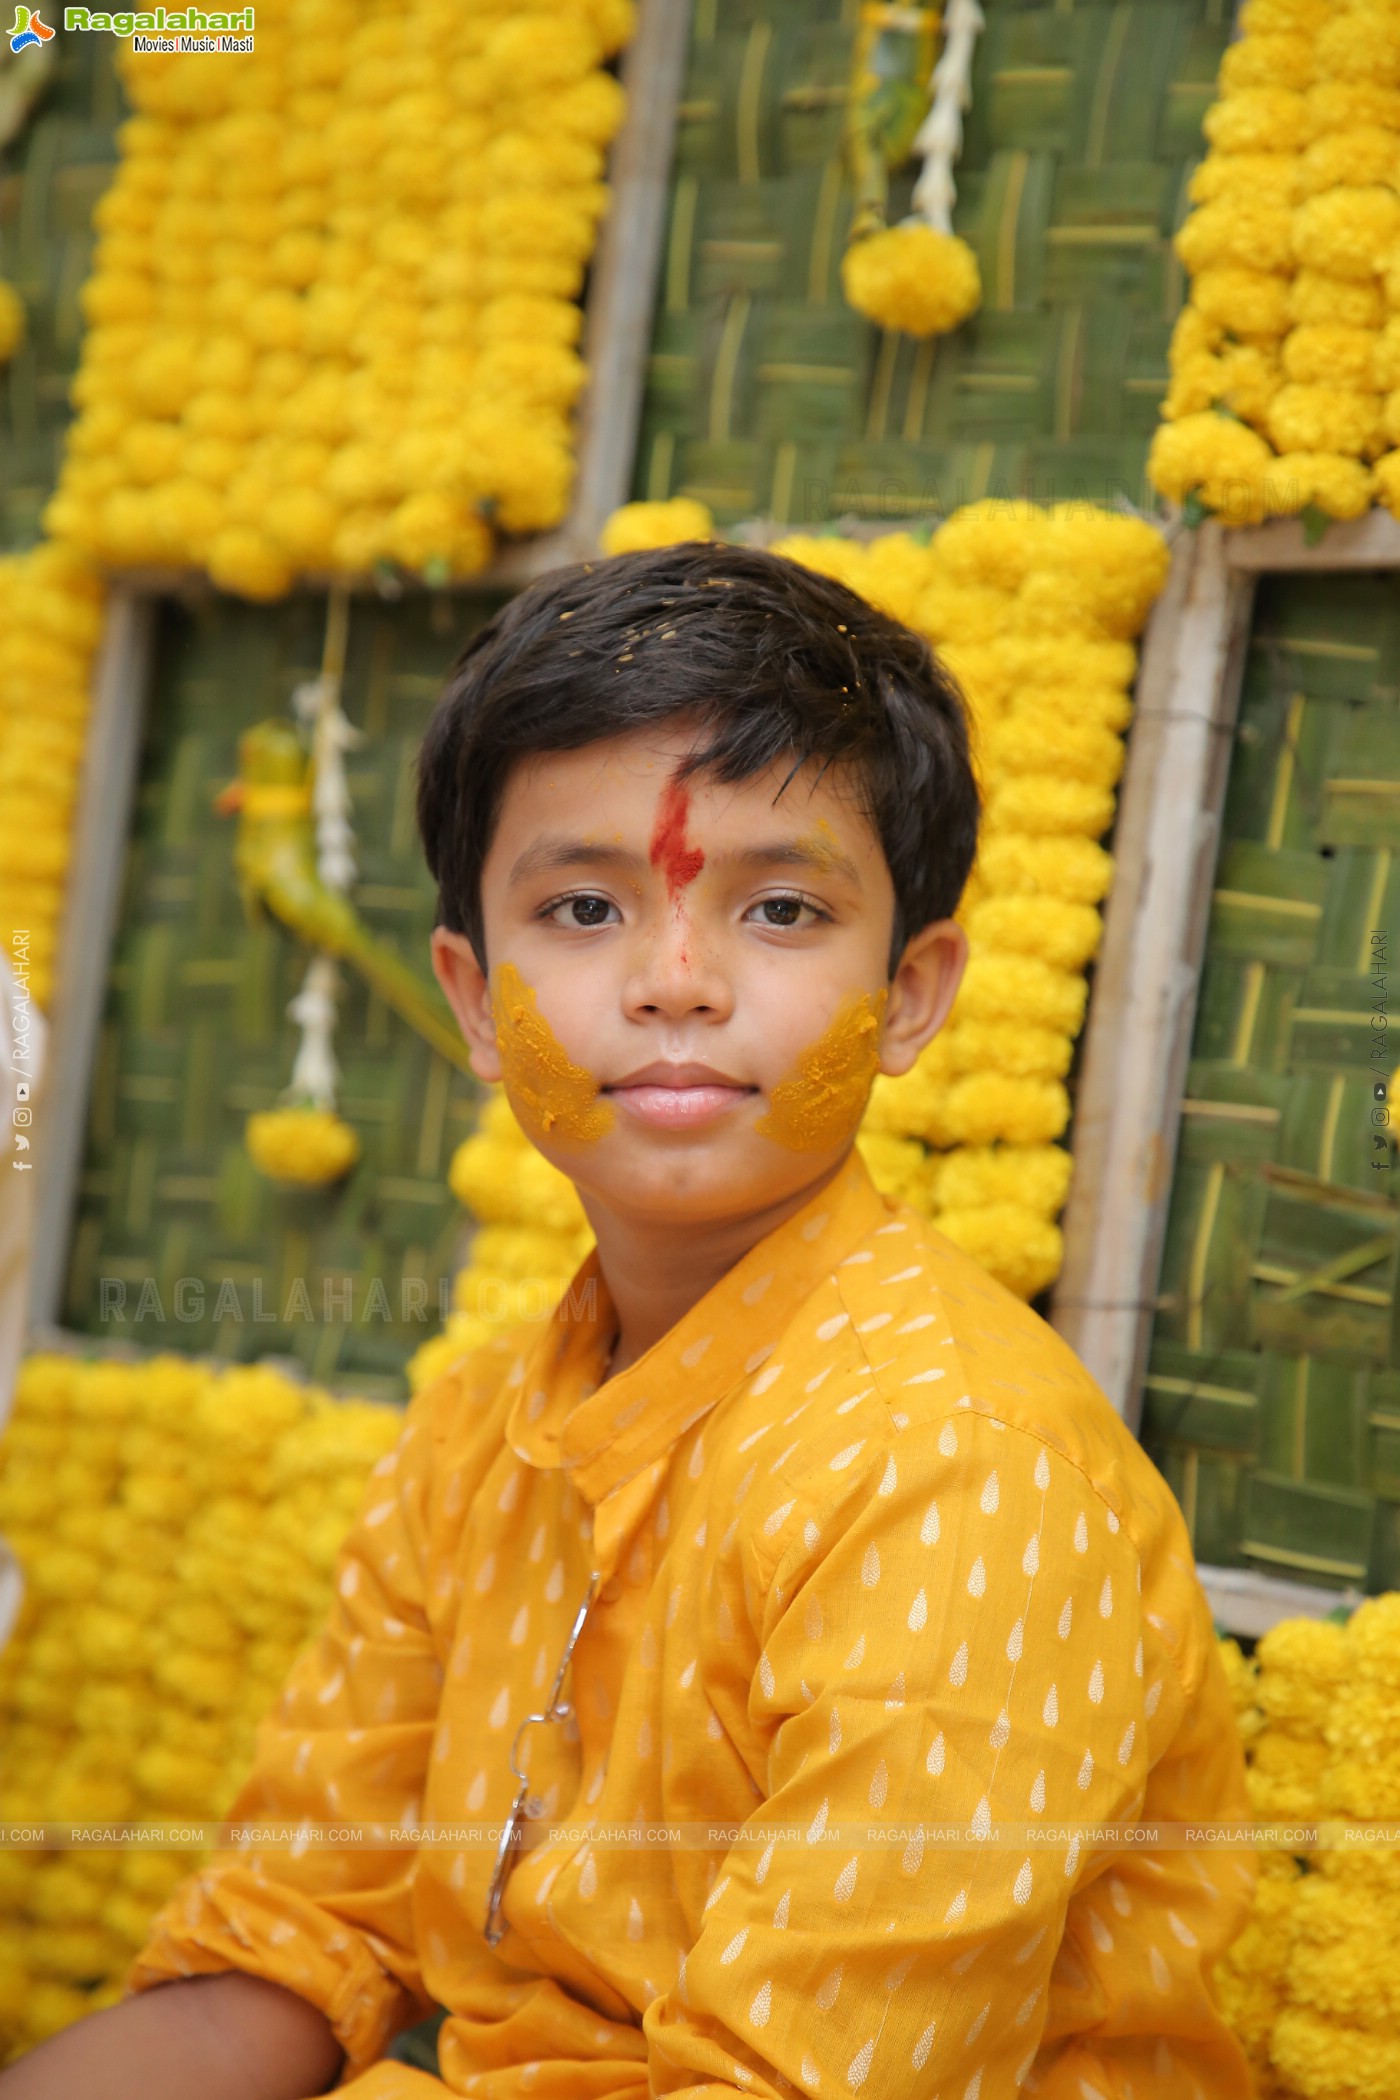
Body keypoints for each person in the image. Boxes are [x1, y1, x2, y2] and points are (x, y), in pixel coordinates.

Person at [0, 542, 1257, 2100]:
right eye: (587, 907)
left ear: (914, 992)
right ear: (473, 999)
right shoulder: (479, 1435)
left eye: (781, 910)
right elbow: (290, 1943)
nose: (677, 982)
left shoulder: (961, 1469)